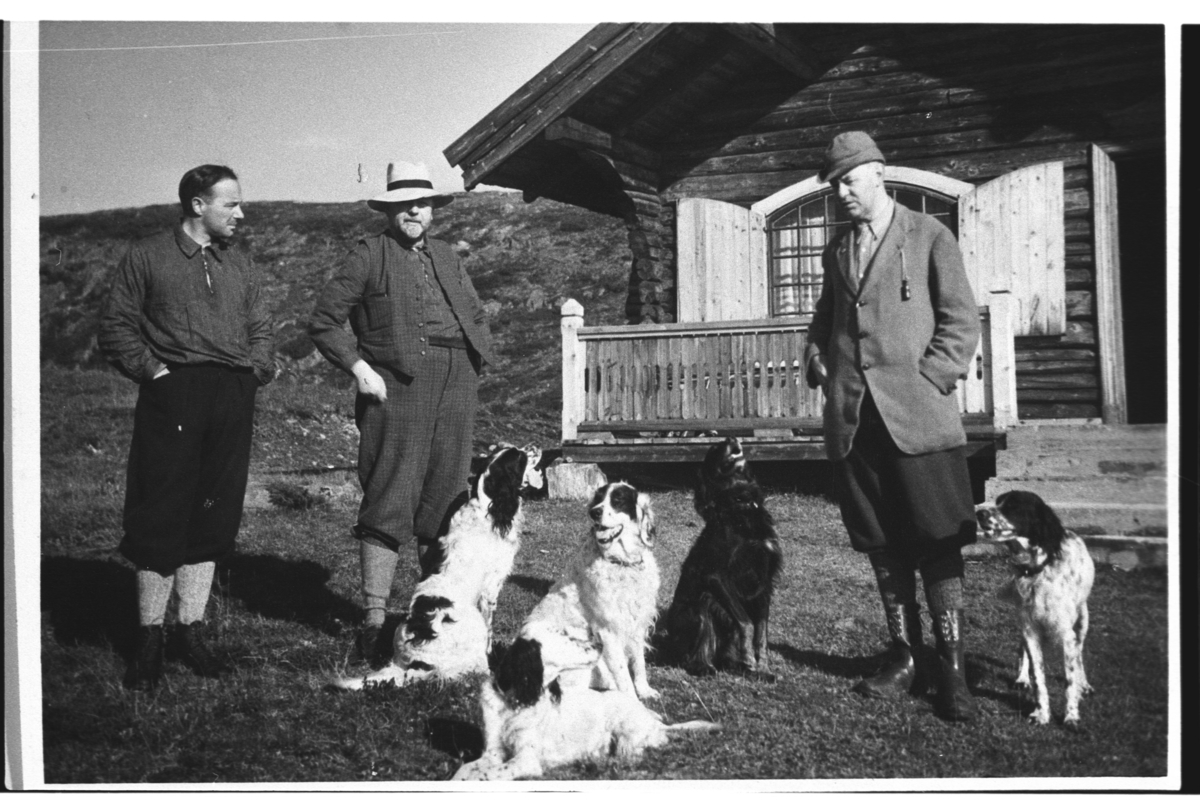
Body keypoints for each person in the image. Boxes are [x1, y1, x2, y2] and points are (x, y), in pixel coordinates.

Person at [805, 132, 982, 722]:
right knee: (881, 541)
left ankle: (951, 665)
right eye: (833, 185)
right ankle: (905, 655)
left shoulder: (930, 235)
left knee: (937, 536)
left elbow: (960, 320)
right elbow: (825, 319)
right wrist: (818, 358)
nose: (841, 193)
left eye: (850, 180)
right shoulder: (836, 250)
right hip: (855, 420)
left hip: (918, 418)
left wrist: (932, 377)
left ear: (879, 174)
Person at [308, 161, 495, 668]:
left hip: (456, 381)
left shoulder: (448, 256)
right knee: (391, 491)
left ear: (434, 209)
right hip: (396, 384)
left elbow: (475, 313)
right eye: (405, 203)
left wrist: (474, 361)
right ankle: (372, 623)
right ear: (389, 209)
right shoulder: (370, 255)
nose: (415, 210)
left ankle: (436, 614)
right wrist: (359, 368)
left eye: (424, 202)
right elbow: (325, 321)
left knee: (447, 497)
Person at [99, 164, 276, 690]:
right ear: (198, 205)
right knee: (162, 510)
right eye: (231, 204)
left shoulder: (240, 265)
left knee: (214, 512)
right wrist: (155, 373)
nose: (240, 214)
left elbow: (261, 328)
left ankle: (189, 630)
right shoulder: (149, 255)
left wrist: (256, 370)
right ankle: (149, 637)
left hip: (232, 396)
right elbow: (116, 325)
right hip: (174, 396)